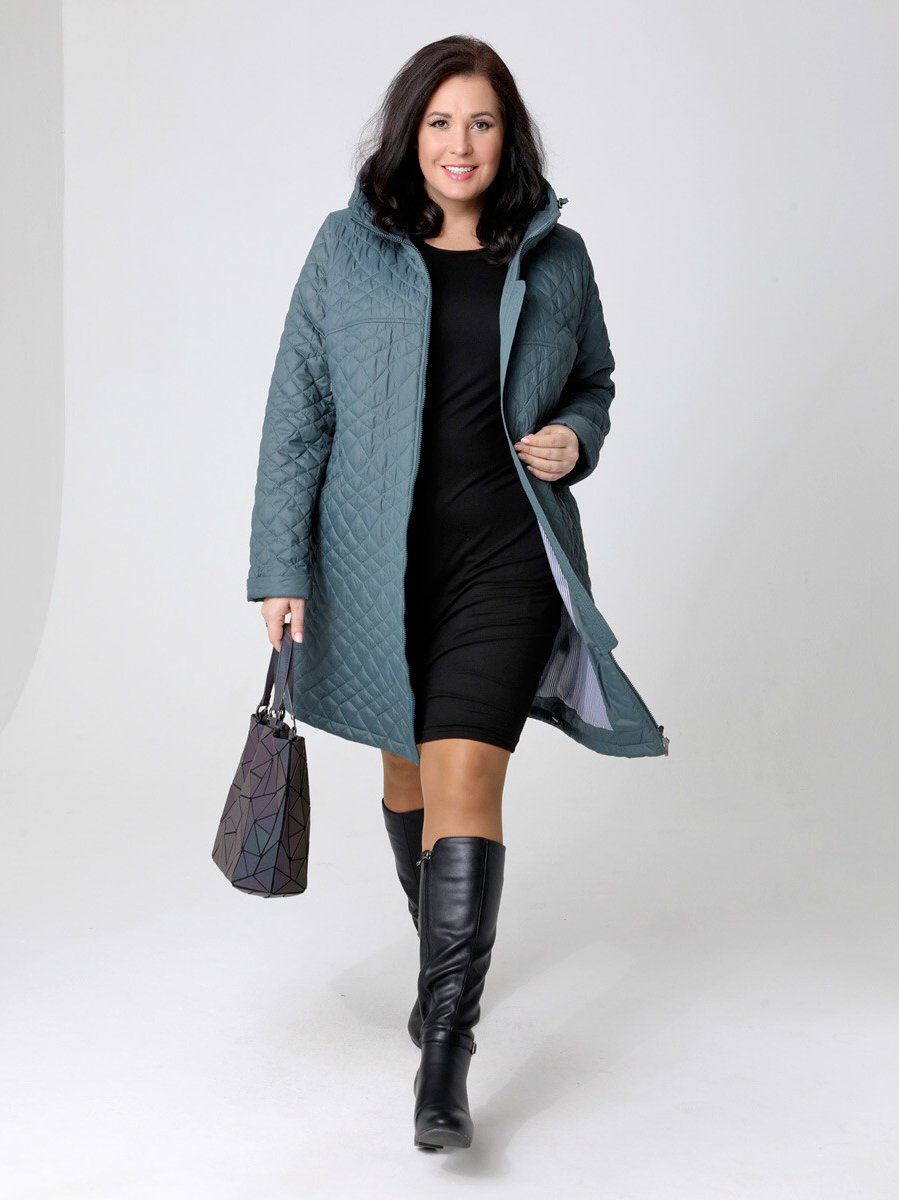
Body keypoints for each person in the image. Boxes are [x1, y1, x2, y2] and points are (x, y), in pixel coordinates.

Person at [246, 35, 668, 1152]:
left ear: (507, 135)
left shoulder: (557, 257)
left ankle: (447, 1049)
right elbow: (297, 415)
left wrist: (576, 436)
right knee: (407, 772)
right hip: (375, 566)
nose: (460, 143)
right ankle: (442, 957)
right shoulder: (346, 250)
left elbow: (594, 381)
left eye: (481, 122)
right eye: (440, 122)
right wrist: (279, 567)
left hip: (507, 562)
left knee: (465, 774)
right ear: (409, 133)